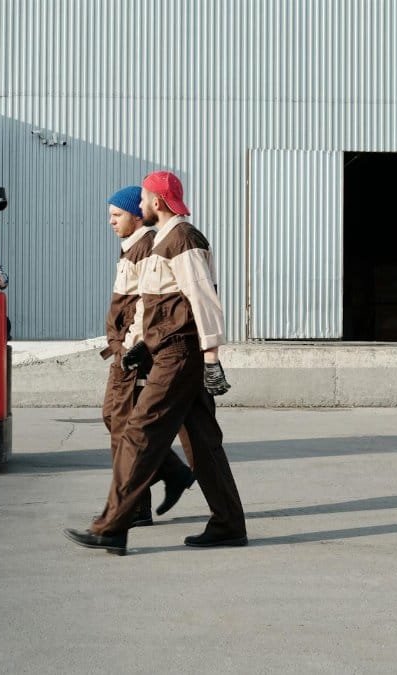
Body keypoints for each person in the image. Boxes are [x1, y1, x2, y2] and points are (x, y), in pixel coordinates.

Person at [64, 171, 246, 555]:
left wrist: (212, 358)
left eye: (144, 199)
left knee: (139, 433)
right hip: (164, 350)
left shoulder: (182, 238)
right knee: (202, 439)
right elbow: (151, 305)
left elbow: (203, 299)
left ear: (156, 203)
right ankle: (228, 523)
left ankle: (112, 526)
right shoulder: (162, 241)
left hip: (180, 353)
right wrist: (138, 345)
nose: (140, 205)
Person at [96, 186, 196, 528]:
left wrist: (132, 345)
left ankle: (134, 507)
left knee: (125, 424)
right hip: (122, 347)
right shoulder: (131, 249)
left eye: (117, 215)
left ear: (137, 216)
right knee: (114, 417)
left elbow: (144, 304)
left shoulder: (145, 247)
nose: (110, 222)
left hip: (133, 351)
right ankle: (172, 471)